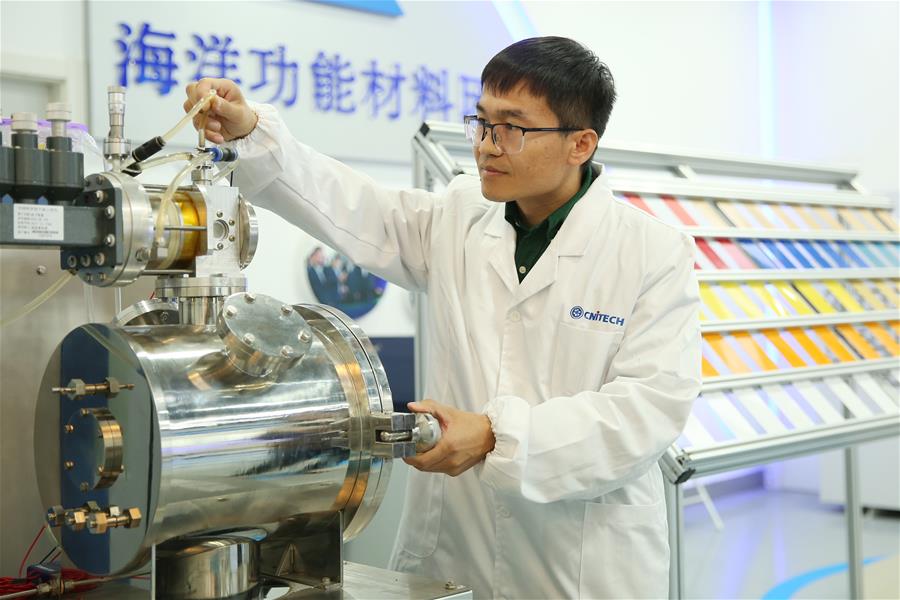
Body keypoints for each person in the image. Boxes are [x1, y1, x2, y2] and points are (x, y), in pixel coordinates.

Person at [185, 36, 701, 599]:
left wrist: (497, 436)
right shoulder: (461, 215)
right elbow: (355, 208)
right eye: (482, 122)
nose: (486, 146)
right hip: (456, 551)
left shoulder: (651, 252)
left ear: (580, 143)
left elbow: (647, 410)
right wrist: (252, 133)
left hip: (581, 566)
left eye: (512, 128)